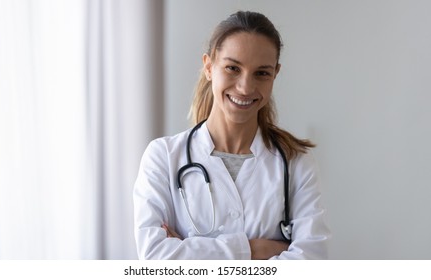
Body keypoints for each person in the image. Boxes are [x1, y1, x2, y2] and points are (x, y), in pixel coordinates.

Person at [133, 11, 330, 260]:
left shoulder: (296, 163)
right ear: (208, 67)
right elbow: (156, 259)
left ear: (275, 74)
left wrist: (189, 252)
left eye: (261, 73)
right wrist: (253, 250)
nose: (246, 87)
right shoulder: (163, 157)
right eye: (233, 68)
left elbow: (312, 261)